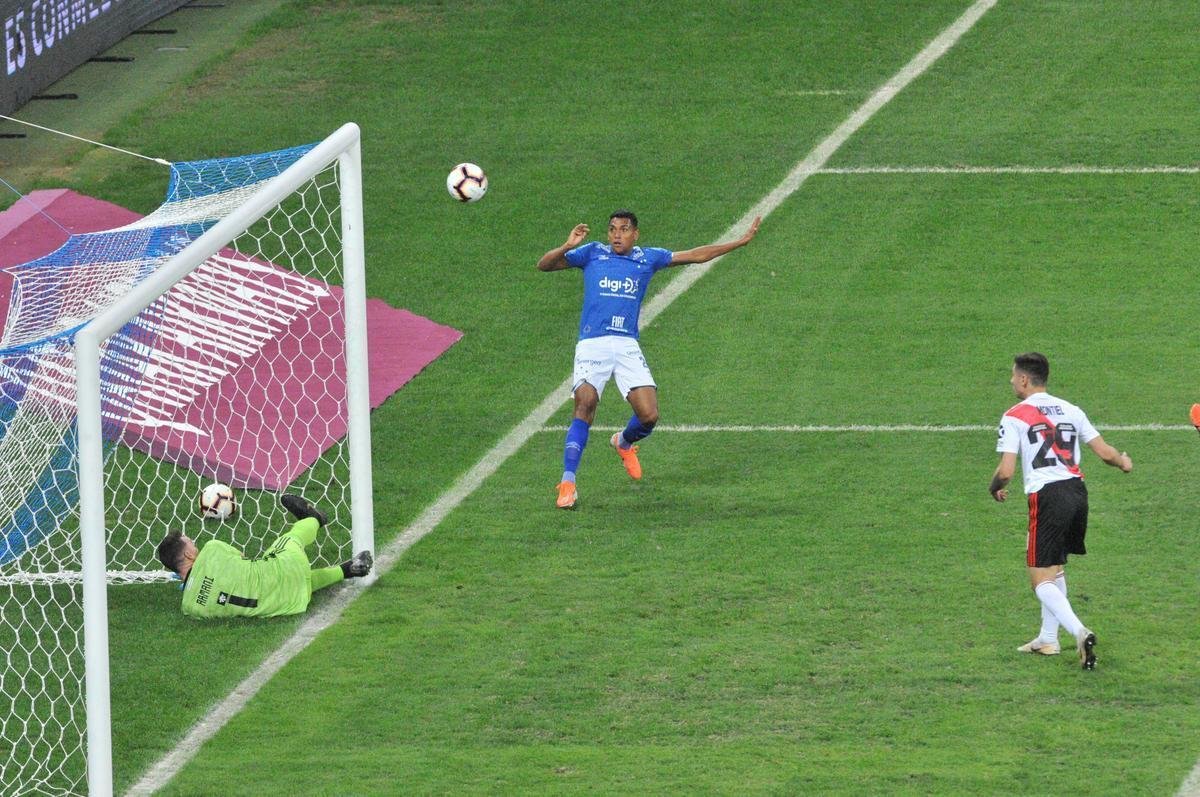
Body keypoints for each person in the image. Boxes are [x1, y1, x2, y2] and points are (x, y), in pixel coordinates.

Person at [537, 210, 761, 509]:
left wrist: (741, 241)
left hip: (627, 345)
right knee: (585, 404)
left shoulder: (648, 258)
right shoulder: (591, 253)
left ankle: (624, 442)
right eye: (613, 229)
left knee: (649, 416)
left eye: (624, 229)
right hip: (593, 345)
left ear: (636, 234)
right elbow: (545, 266)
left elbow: (696, 255)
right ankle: (567, 483)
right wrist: (567, 246)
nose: (617, 235)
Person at [988, 352, 1132, 669]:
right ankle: (1048, 639)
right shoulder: (1071, 409)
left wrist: (994, 486)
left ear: (1024, 379)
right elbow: (1105, 452)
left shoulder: (1014, 415)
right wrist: (1123, 462)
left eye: (1013, 375)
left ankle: (1080, 632)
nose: (1011, 380)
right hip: (1077, 493)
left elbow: (1007, 470)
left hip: (1049, 496)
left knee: (1040, 578)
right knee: (1055, 567)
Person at [156, 494, 373, 619]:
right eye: (191, 542)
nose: (195, 544)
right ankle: (315, 519)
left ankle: (346, 570)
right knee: (289, 541)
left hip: (281, 605)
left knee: (296, 582)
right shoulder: (211, 549)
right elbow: (241, 556)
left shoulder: (190, 608)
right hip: (282, 568)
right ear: (188, 553)